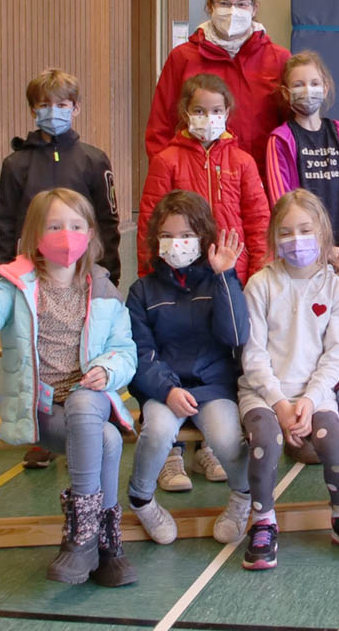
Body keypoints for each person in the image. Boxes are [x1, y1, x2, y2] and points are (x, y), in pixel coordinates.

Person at [0, 189, 138, 587]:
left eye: (75, 226)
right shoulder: (15, 286)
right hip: (45, 410)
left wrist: (107, 368)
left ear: (89, 233)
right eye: (54, 226)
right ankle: (107, 544)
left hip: (91, 397)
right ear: (35, 234)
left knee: (88, 405)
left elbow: (125, 351)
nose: (66, 235)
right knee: (105, 438)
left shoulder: (102, 288)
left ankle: (79, 540)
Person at [139, 73, 268, 490]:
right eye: (198, 110)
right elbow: (149, 219)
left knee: (221, 356)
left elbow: (258, 219)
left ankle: (209, 446)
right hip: (175, 278)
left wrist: (253, 272)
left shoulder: (243, 161)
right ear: (184, 113)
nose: (207, 117)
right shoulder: (167, 160)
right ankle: (171, 453)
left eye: (216, 111)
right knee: (172, 352)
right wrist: (151, 273)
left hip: (228, 277)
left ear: (228, 114)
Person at [238, 189, 339, 569]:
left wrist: (311, 400)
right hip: (264, 394)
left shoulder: (335, 288)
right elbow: (253, 353)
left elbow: (335, 356)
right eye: (285, 232)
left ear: (322, 233)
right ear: (273, 238)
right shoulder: (260, 285)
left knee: (334, 442)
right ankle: (263, 521)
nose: (295, 239)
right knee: (265, 439)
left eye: (305, 229)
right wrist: (280, 403)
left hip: (316, 395)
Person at [0, 67, 122, 471]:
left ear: (76, 108)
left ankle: (78, 427)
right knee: (39, 350)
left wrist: (110, 274)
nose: (54, 112)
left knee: (78, 350)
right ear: (33, 110)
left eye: (62, 105)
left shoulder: (93, 159)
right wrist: (2, 276)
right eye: (45, 105)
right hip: (34, 282)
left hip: (82, 278)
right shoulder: (16, 164)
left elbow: (108, 219)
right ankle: (44, 431)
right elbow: (6, 224)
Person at [125, 190, 252, 545]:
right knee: (157, 432)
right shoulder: (142, 291)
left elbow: (236, 334)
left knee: (227, 438)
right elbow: (141, 352)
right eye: (167, 236)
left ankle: (243, 498)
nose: (176, 244)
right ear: (156, 240)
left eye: (185, 236)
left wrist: (226, 277)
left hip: (212, 386)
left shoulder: (217, 281)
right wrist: (166, 389)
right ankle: (142, 499)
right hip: (165, 388)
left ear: (202, 238)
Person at [146, 0, 290, 183]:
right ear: (209, 6)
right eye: (224, 3)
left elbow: (292, 131)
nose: (233, 11)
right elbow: (161, 127)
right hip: (196, 184)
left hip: (260, 185)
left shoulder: (278, 59)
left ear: (254, 8)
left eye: (241, 4)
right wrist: (168, 180)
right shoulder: (183, 58)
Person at [265, 51, 339, 268]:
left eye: (314, 83)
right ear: (286, 92)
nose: (307, 90)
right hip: (303, 253)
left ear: (325, 87)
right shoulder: (281, 140)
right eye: (299, 84)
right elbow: (281, 204)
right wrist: (322, 247)